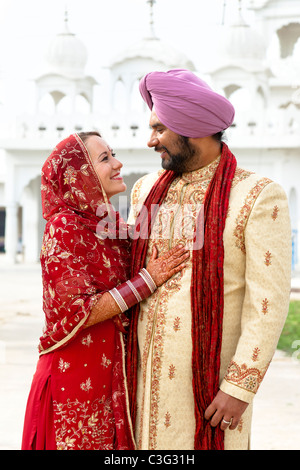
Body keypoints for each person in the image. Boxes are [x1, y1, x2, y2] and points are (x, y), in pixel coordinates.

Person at [125, 69, 292, 450]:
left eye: (159, 129)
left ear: (191, 126)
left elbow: (267, 303)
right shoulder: (145, 190)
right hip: (139, 383)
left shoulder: (257, 195)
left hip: (208, 392)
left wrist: (239, 386)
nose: (150, 141)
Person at [21, 131, 189, 450]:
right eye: (105, 158)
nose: (118, 163)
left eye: (113, 154)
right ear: (78, 175)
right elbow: (77, 312)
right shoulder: (64, 227)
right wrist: (148, 280)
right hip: (74, 382)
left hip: (109, 374)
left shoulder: (108, 222)